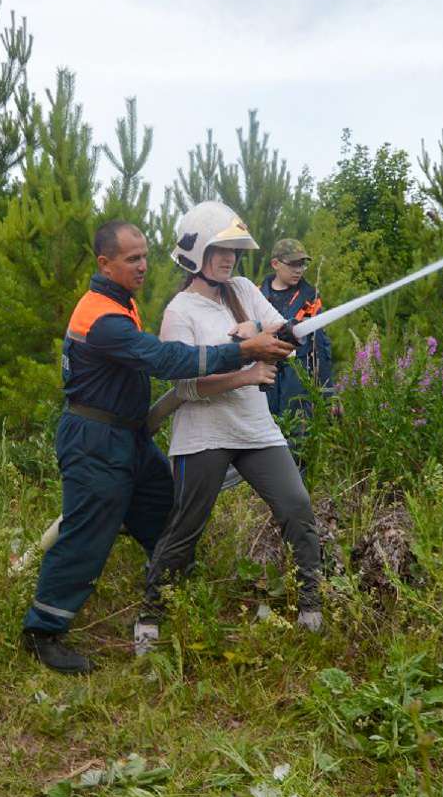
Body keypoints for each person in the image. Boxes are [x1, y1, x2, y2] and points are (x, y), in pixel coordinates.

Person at [20, 220, 296, 673]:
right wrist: (245, 351)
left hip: (127, 436)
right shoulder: (102, 318)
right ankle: (43, 631)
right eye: (132, 259)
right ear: (104, 263)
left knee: (167, 513)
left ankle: (173, 592)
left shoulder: (118, 303)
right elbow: (167, 361)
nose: (143, 266)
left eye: (146, 255)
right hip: (95, 440)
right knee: (88, 535)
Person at [142, 202, 324, 638]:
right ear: (195, 253)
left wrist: (264, 337)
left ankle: (312, 607)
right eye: (219, 250)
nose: (229, 259)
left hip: (255, 428)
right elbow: (183, 387)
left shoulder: (243, 290)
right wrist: (245, 369)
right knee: (185, 528)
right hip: (203, 435)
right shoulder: (179, 312)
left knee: (297, 507)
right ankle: (150, 620)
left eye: (234, 251)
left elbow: (288, 340)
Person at [260, 238, 332, 452]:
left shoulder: (311, 298)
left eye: (302, 264)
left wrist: (328, 393)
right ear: (275, 264)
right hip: (262, 384)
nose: (299, 270)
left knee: (298, 446)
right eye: (293, 264)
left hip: (297, 383)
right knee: (261, 446)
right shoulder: (255, 294)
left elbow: (321, 347)